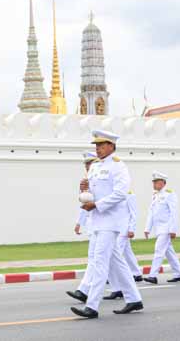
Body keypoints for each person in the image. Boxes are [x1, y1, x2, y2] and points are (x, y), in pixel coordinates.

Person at [71, 130, 143, 319]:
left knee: (99, 262)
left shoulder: (118, 167)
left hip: (110, 221)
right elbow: (95, 192)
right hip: (96, 220)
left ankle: (92, 306)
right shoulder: (95, 166)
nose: (98, 148)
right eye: (96, 145)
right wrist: (85, 191)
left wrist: (96, 204)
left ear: (111, 146)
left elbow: (121, 193)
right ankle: (134, 298)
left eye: (101, 145)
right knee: (116, 262)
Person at [67, 152, 99, 303]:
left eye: (90, 164)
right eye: (86, 165)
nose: (87, 167)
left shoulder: (101, 179)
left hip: (107, 225)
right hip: (94, 224)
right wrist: (80, 222)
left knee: (95, 259)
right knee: (114, 262)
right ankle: (130, 295)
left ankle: (84, 290)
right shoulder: (87, 181)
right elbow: (84, 205)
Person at [143, 171, 180, 284]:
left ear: (163, 182)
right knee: (168, 252)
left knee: (159, 250)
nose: (154, 184)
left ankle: (153, 275)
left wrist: (173, 230)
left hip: (166, 228)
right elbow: (151, 213)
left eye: (156, 182)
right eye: (153, 182)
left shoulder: (169, 194)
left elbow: (174, 213)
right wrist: (147, 228)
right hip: (159, 228)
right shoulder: (155, 195)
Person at [104, 189, 143, 300]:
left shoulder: (129, 194)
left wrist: (132, 228)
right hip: (115, 228)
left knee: (115, 256)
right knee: (127, 253)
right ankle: (136, 273)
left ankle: (117, 286)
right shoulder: (112, 193)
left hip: (124, 229)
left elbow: (133, 213)